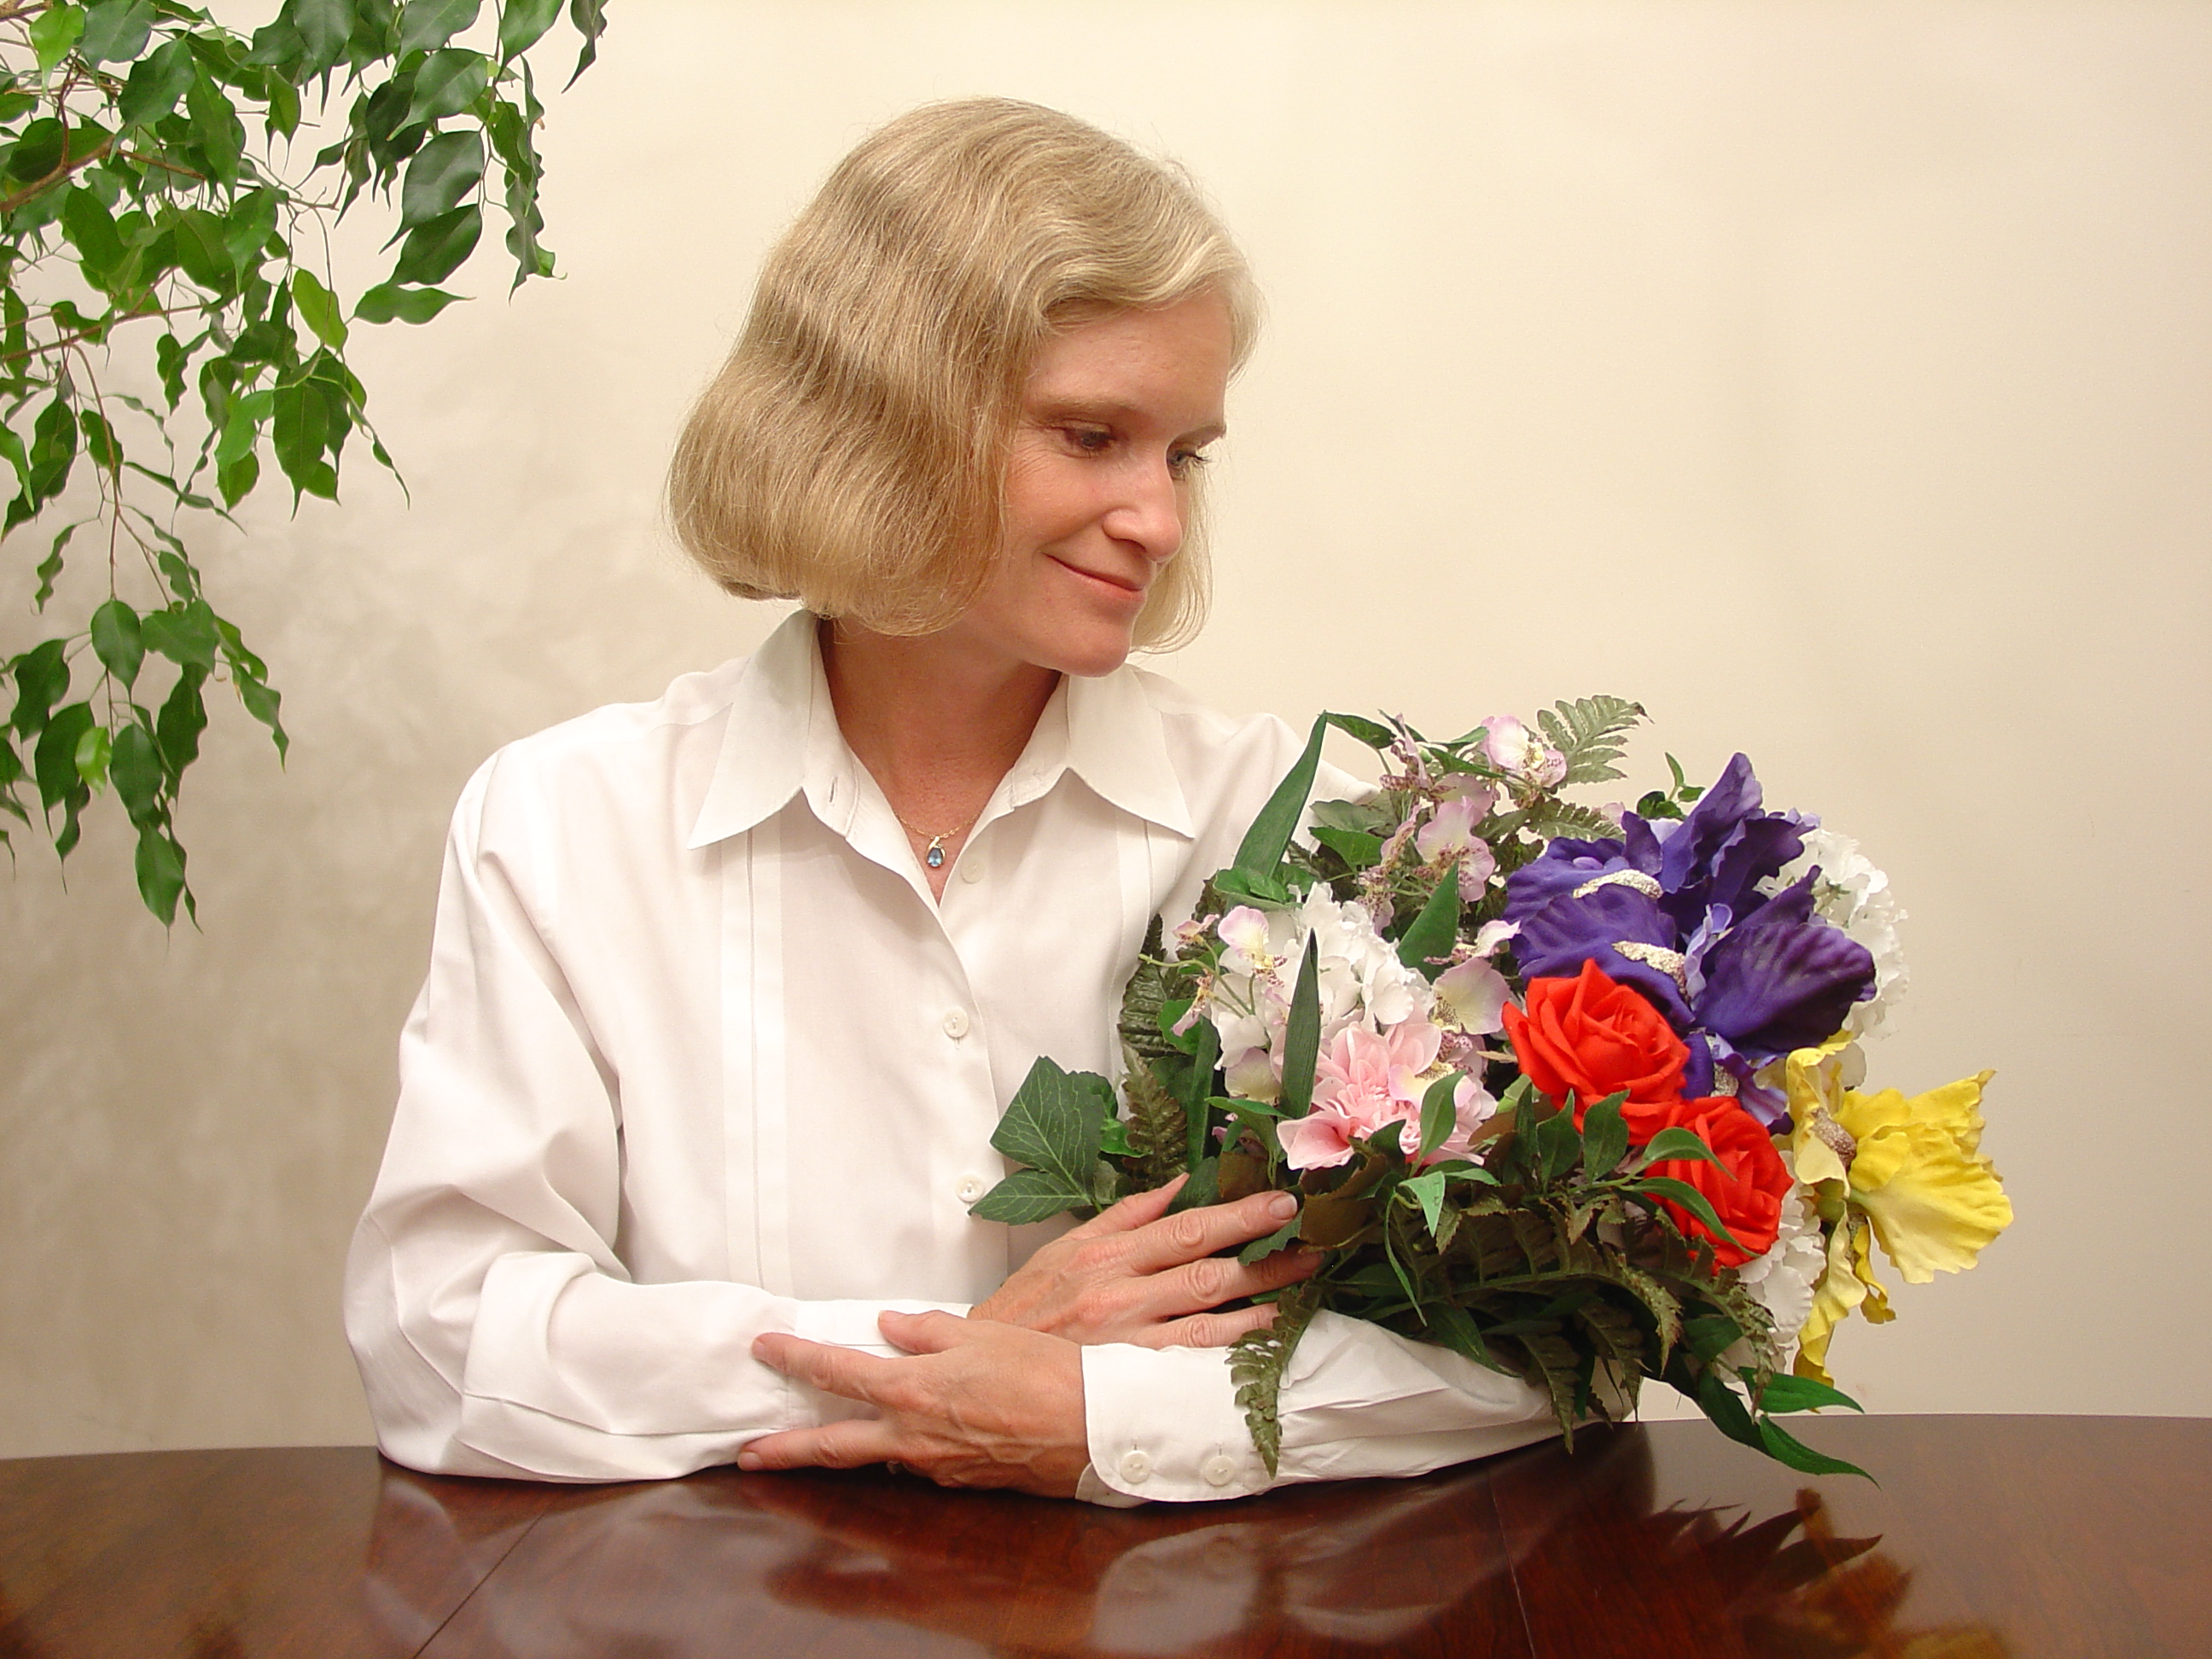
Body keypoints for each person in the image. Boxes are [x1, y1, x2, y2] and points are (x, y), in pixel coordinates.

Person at [345, 97, 1558, 1505]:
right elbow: (441, 1340)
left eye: (1183, 453)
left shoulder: (1294, 829)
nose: (1161, 519)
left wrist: (1098, 1416)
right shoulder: (568, 824)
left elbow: (1545, 1343)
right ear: (877, 418)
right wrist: (951, 1366)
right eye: (1091, 435)